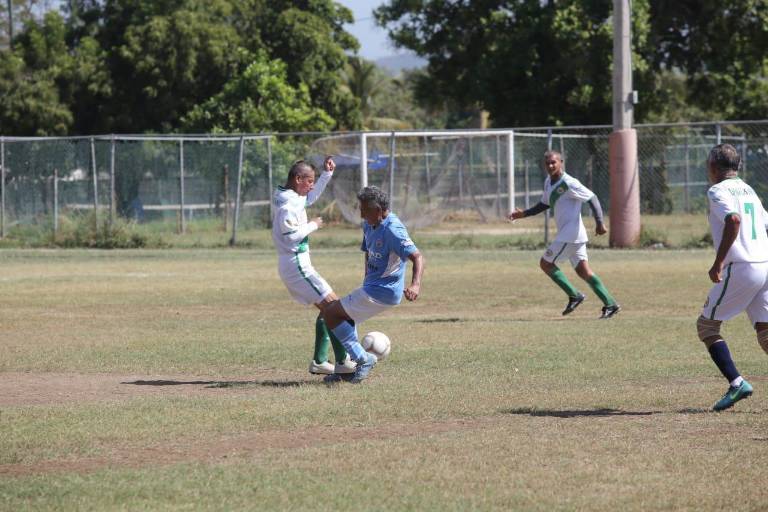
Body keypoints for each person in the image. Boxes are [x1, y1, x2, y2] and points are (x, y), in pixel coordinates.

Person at [321, 186, 425, 383]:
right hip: (372, 286)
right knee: (344, 320)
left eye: (365, 210)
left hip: (384, 291)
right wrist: (366, 276)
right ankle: (346, 370)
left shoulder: (394, 229)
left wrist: (415, 285)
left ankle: (363, 359)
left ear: (378, 210)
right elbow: (368, 250)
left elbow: (418, 257)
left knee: (331, 313)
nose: (361, 214)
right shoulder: (369, 224)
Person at [697, 143, 768, 411]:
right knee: (766, 333)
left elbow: (734, 220)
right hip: (764, 264)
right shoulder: (748, 189)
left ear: (713, 166)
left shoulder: (717, 190)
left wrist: (719, 262)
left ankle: (737, 383)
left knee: (706, 327)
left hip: (741, 266)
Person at [508, 150, 620, 319]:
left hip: (571, 234)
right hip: (572, 235)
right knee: (584, 271)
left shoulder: (569, 183)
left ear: (561, 162)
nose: (551, 165)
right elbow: (544, 204)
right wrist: (524, 214)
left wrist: (599, 223)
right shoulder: (549, 181)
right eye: (547, 163)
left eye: (554, 162)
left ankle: (575, 295)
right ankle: (610, 304)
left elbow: (592, 198)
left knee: (545, 263)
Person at [272, 156, 355, 376]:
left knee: (330, 309)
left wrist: (327, 175)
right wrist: (313, 225)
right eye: (309, 181)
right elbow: (290, 237)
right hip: (296, 264)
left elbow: (310, 198)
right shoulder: (288, 205)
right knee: (335, 308)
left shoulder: (292, 197)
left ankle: (321, 361)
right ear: (298, 179)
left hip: (296, 263)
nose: (311, 186)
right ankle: (344, 361)